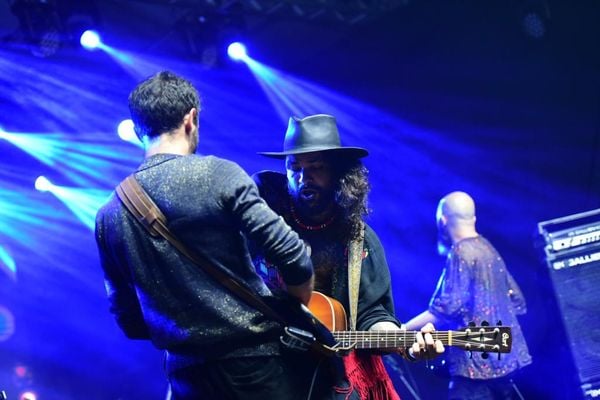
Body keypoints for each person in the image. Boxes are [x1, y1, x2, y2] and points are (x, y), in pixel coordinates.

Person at [95, 71, 329, 399]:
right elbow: (292, 255)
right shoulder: (218, 174)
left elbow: (128, 320)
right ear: (191, 118)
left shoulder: (109, 212)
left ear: (137, 130)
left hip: (185, 377)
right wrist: (296, 305)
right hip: (255, 370)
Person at [252, 114, 444, 400]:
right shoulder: (262, 216)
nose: (304, 177)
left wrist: (405, 341)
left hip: (333, 372)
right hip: (264, 366)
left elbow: (372, 314)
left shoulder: (359, 240)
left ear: (340, 174)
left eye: (316, 167)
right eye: (295, 167)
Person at [404, 191, 532, 400]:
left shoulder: (461, 252)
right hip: (506, 363)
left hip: (475, 367)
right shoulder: (488, 248)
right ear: (473, 218)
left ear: (443, 221)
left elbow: (445, 309)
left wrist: (400, 331)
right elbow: (517, 301)